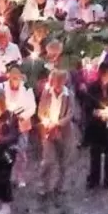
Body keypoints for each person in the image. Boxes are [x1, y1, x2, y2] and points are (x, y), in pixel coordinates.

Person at [37, 69, 76, 198]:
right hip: (48, 131)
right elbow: (41, 111)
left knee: (63, 160)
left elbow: (70, 113)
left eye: (61, 80)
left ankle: (61, 185)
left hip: (64, 132)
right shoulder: (46, 93)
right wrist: (47, 122)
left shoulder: (69, 94)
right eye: (55, 80)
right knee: (48, 160)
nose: (58, 83)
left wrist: (58, 123)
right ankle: (44, 185)